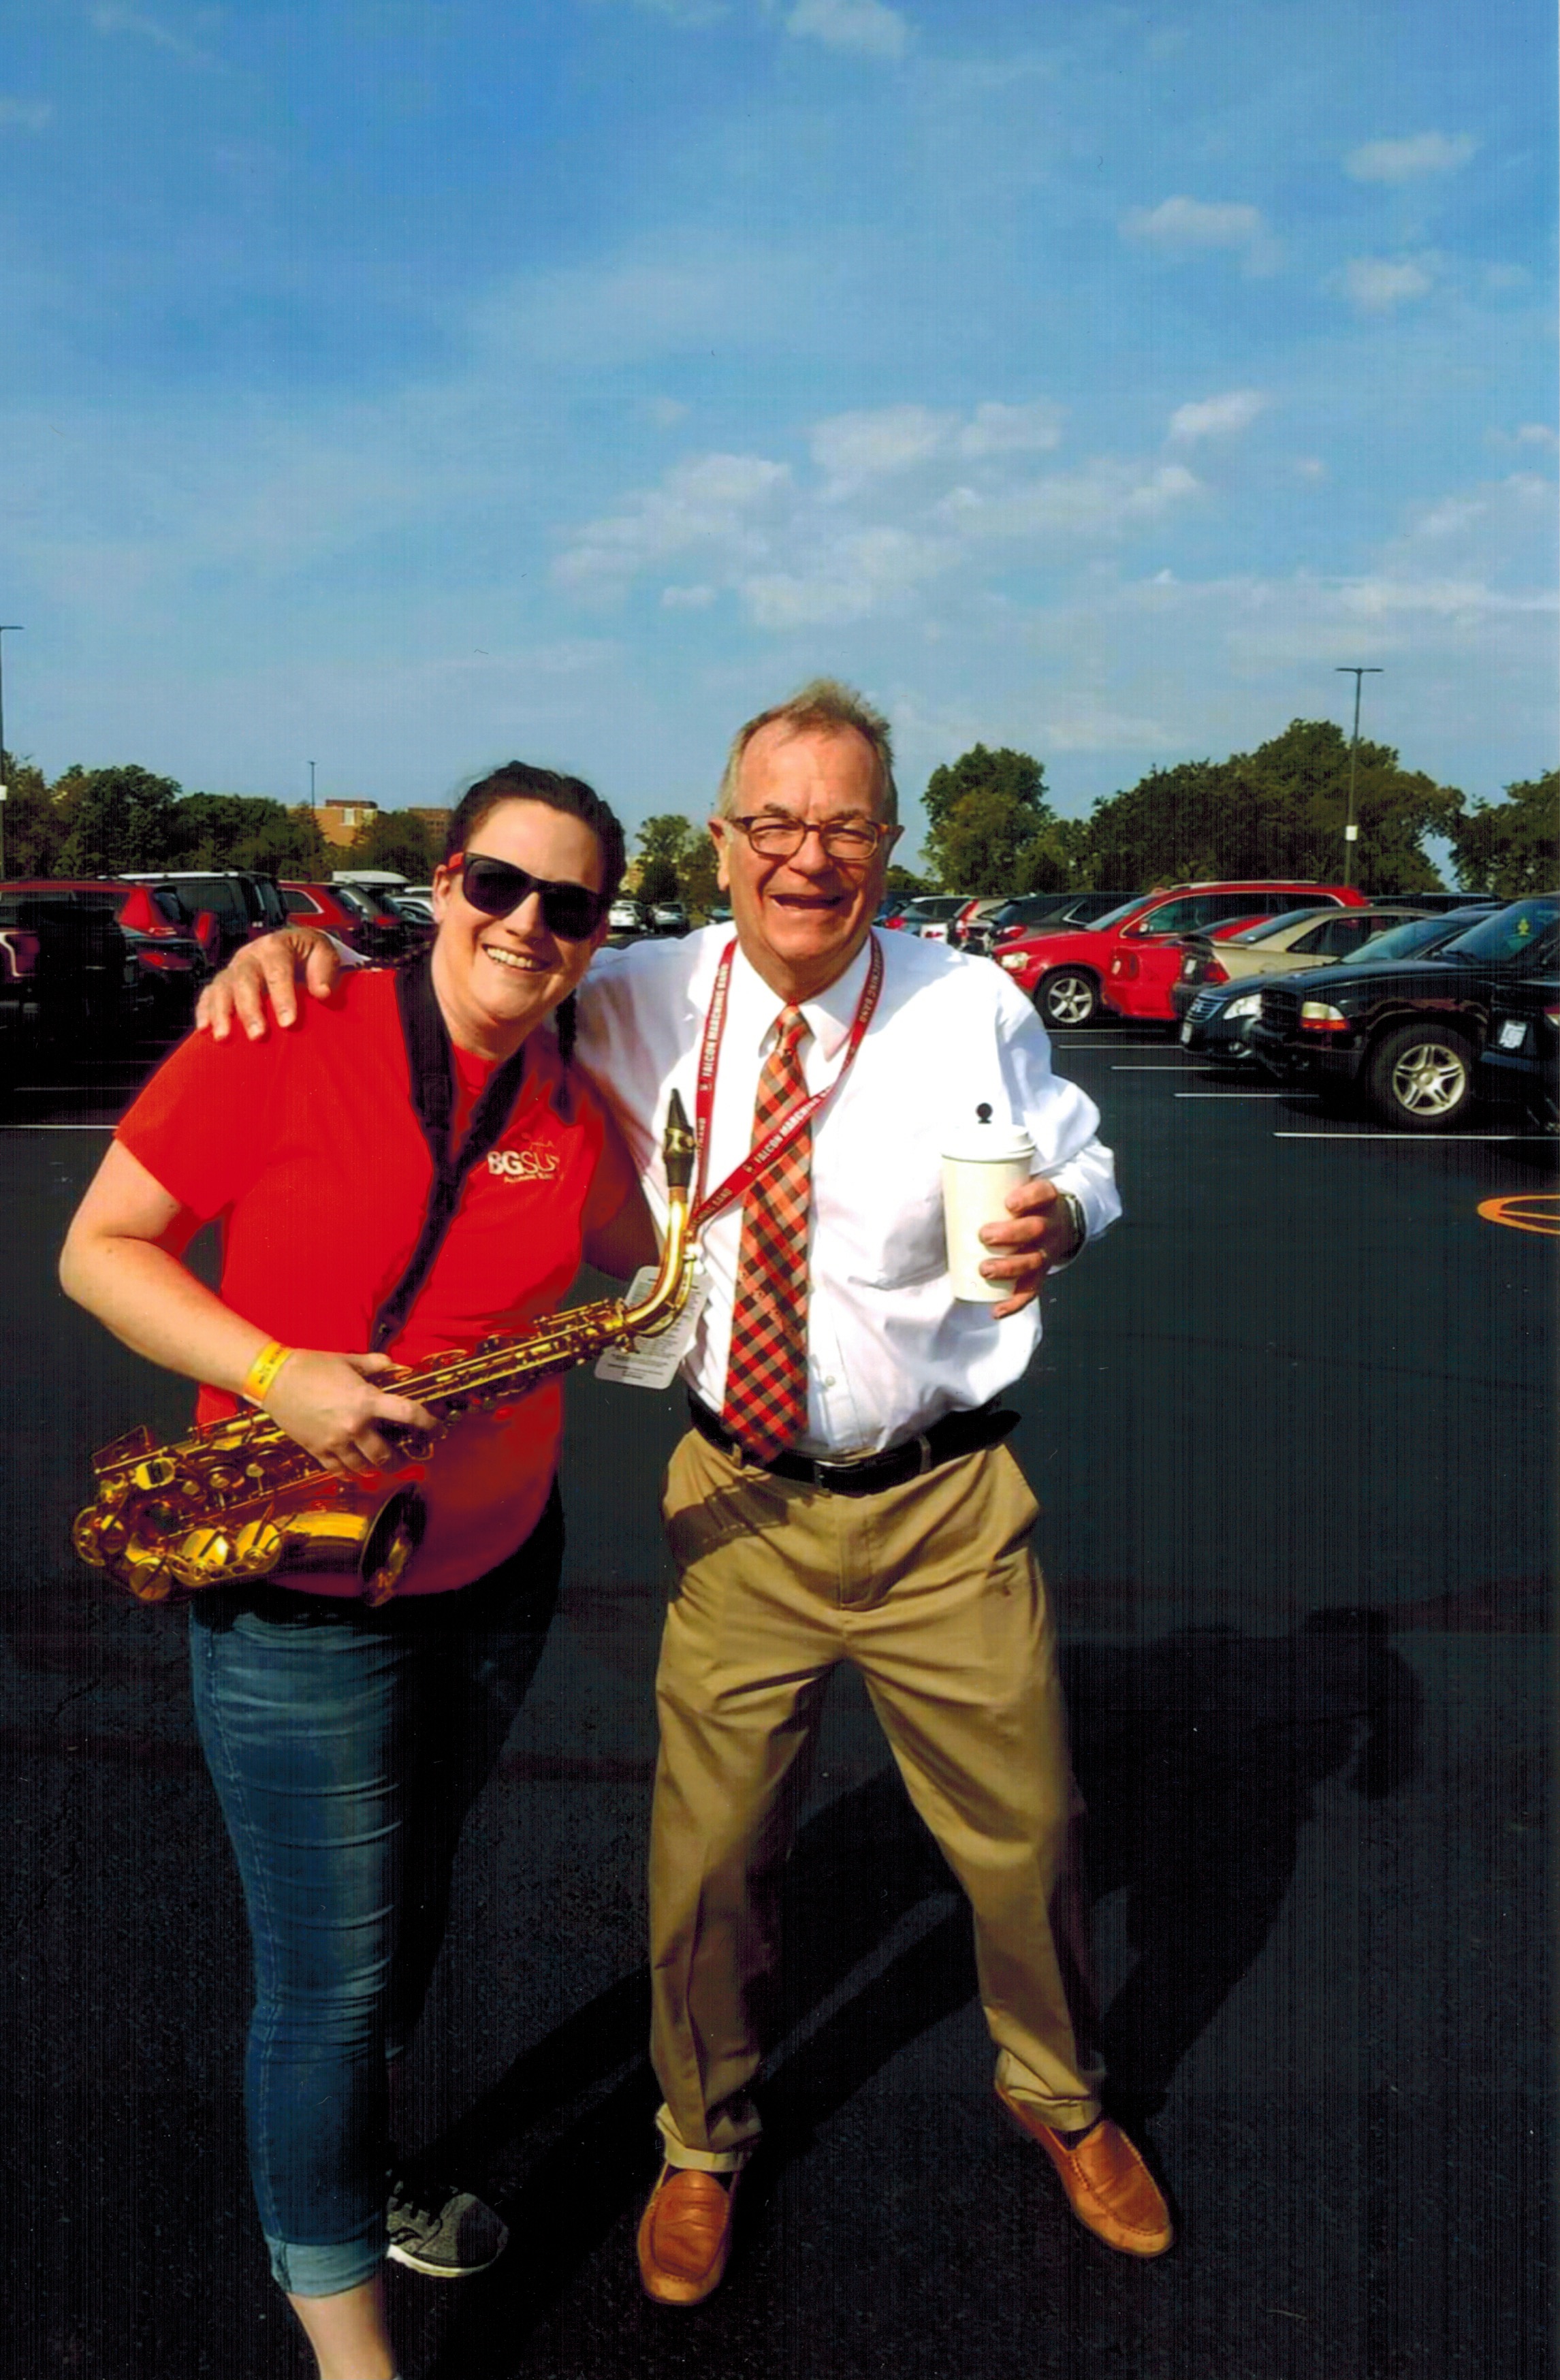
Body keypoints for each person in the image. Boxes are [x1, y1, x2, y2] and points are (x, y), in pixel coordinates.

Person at [200, 681, 1174, 2308]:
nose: (809, 857)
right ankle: (704, 2137)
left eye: (846, 825)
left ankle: (1059, 2092)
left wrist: (1067, 1212)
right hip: (739, 1497)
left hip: (944, 1505)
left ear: (891, 846)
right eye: (774, 823)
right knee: (710, 1857)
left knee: (1027, 1838)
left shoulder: (970, 1003)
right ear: (721, 841)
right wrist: (293, 959)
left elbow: (1083, 1151)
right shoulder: (639, 989)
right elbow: (471, 979)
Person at [61, 765, 656, 2380]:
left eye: (572, 905)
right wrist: (275, 1374)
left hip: (492, 1580)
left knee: (404, 1917)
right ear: (443, 879)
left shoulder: (568, 1103)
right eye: (498, 883)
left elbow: (642, 1266)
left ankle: (356, 2167)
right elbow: (99, 1246)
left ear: (600, 934)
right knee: (325, 1981)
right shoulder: (282, 1029)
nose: (528, 924)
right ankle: (353, 2358)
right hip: (298, 1596)